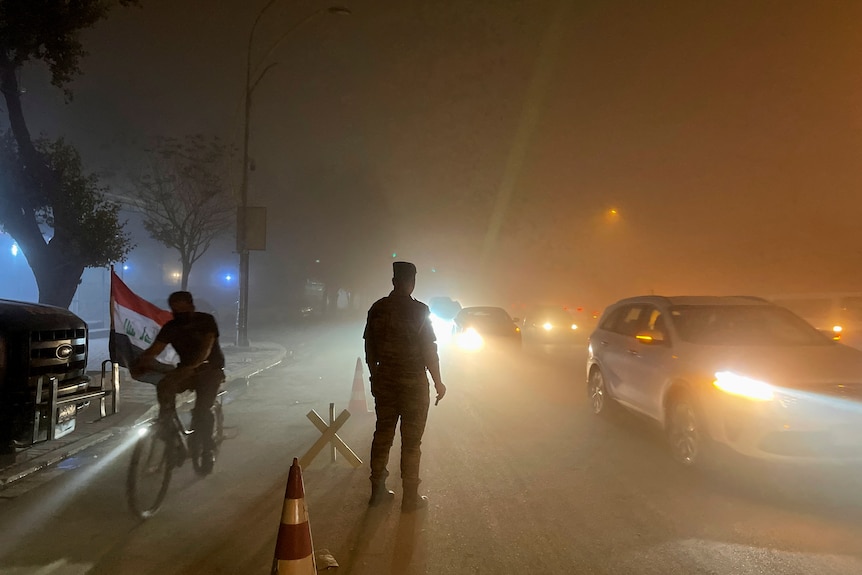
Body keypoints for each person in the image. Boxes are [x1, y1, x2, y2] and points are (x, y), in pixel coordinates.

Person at [363, 261, 446, 512]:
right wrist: (438, 381)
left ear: (393, 281)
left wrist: (375, 375)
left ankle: (377, 491)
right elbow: (429, 350)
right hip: (413, 385)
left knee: (383, 435)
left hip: (385, 383)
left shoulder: (378, 308)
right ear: (412, 282)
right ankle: (410, 498)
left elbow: (369, 349)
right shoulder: (420, 311)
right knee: (411, 443)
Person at [130, 291, 225, 475]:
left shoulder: (206, 321)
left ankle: (207, 449)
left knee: (201, 411)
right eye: (175, 309)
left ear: (191, 306)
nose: (179, 312)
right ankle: (168, 428)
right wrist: (141, 362)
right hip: (185, 370)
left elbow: (207, 347)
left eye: (183, 308)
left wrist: (193, 366)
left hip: (209, 370)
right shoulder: (171, 327)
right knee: (165, 386)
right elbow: (154, 350)